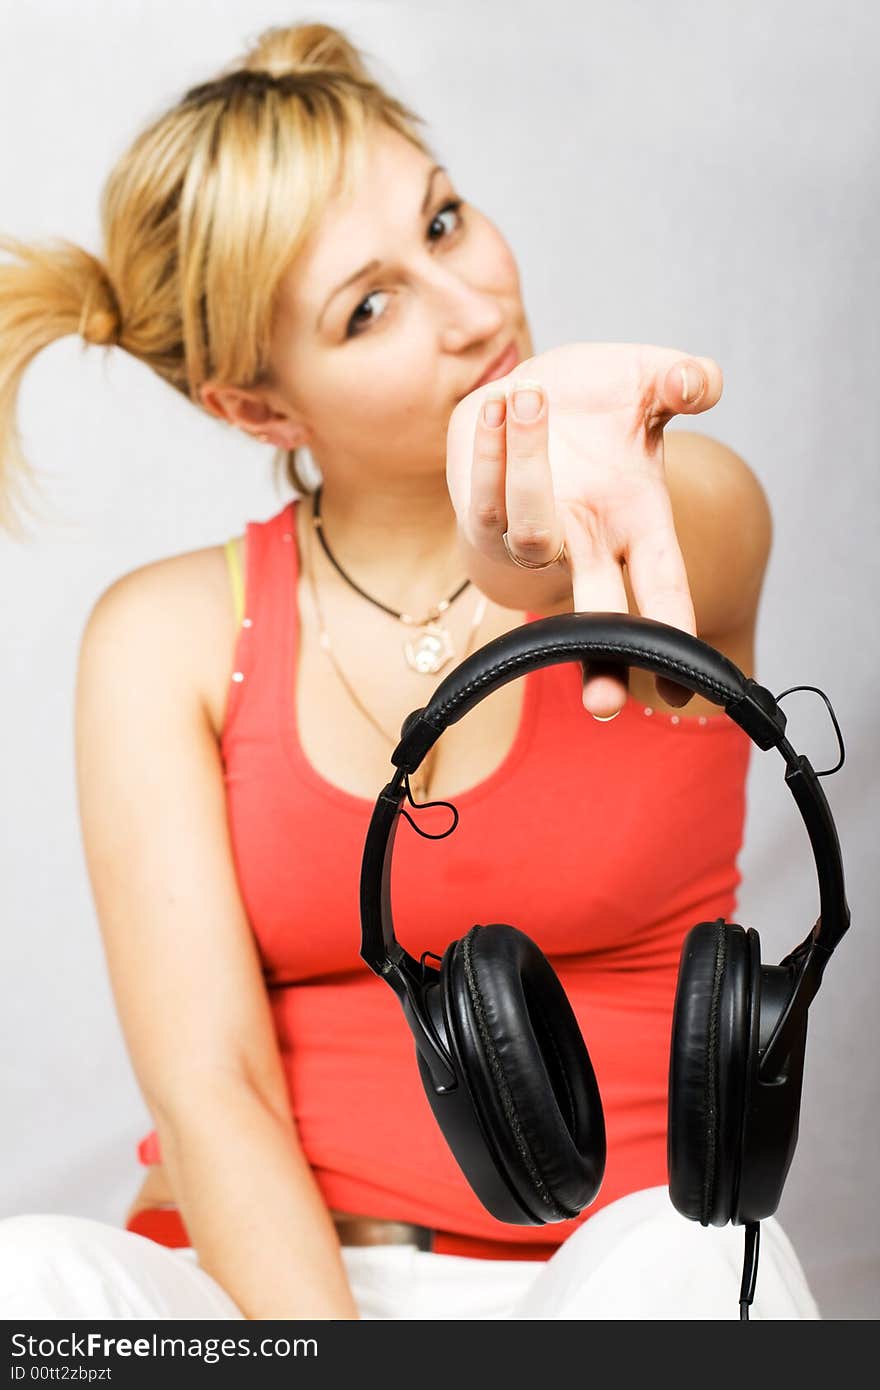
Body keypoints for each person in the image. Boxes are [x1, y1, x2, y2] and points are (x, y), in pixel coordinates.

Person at [0, 21, 820, 1320]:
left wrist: (523, 530)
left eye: (443, 222)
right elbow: (214, 1085)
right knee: (25, 1280)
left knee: (713, 1265)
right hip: (269, 1289)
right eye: (368, 306)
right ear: (257, 409)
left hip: (608, 1272)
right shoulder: (164, 640)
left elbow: (592, 541)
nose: (474, 312)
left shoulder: (668, 514)